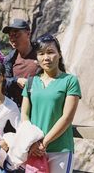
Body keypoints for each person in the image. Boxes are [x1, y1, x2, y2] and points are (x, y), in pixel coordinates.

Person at [21, 34, 81, 172]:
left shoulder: (70, 81)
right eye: (41, 53)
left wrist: (44, 143)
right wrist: (33, 142)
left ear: (59, 54)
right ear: (36, 57)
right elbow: (24, 115)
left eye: (50, 52)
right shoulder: (31, 82)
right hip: (34, 149)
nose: (46, 58)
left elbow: (67, 118)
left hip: (60, 149)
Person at [2, 18, 38, 107]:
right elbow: (4, 81)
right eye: (10, 36)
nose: (13, 39)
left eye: (16, 34)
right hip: (18, 107)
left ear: (28, 33)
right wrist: (16, 80)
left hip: (40, 104)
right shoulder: (9, 59)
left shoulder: (42, 54)